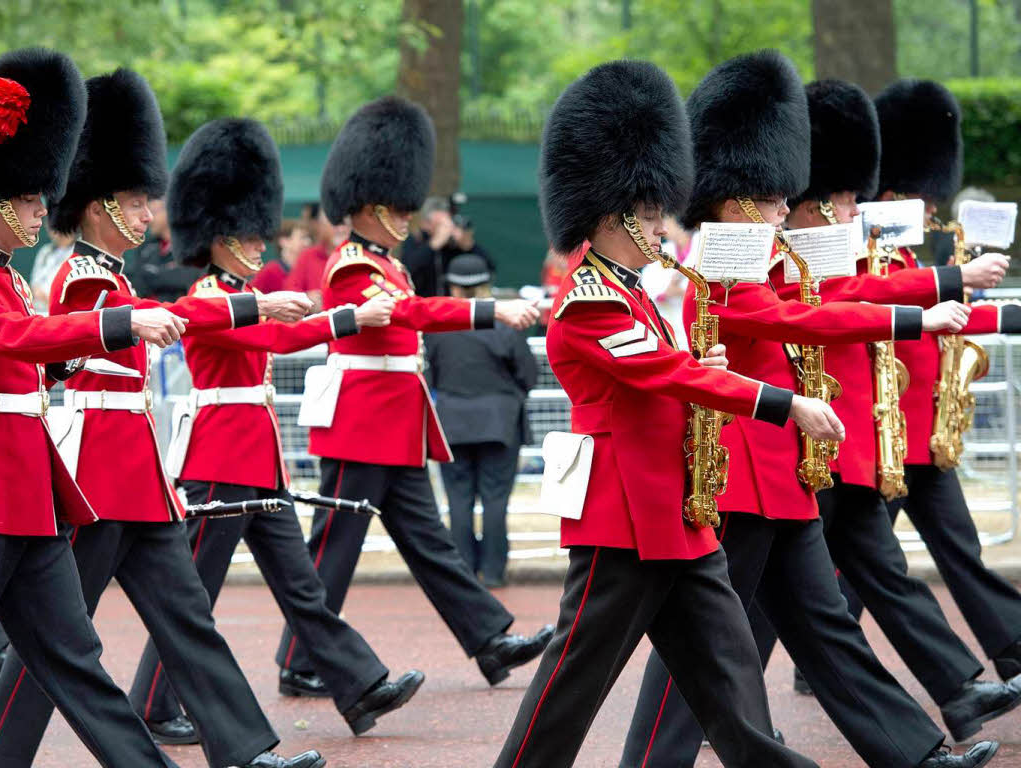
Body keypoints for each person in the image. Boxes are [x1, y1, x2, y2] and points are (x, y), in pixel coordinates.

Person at [620, 62, 1004, 768]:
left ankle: (912, 751)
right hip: (737, 470)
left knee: (826, 626)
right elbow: (804, 318)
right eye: (769, 199)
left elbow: (815, 302)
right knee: (708, 636)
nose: (780, 209)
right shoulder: (721, 256)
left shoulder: (758, 249)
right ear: (735, 199)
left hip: (784, 471)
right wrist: (909, 321)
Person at [492, 57, 848, 768]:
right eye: (651, 214)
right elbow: (663, 372)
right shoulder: (589, 300)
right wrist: (784, 403)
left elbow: (667, 374)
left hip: (679, 516)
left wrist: (704, 371)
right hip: (623, 519)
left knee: (732, 687)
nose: (662, 226)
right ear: (617, 213)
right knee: (572, 685)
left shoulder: (629, 293)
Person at [0, 67, 324, 768]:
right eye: (136, 201)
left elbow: (73, 346)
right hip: (90, 470)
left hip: (123, 470)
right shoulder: (85, 278)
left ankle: (242, 748)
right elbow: (26, 340)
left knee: (153, 624)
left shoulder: (45, 278)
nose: (149, 214)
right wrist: (127, 323)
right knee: (56, 645)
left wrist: (249, 305)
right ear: (97, 208)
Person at [127, 117, 425, 742]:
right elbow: (274, 337)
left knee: (302, 585)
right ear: (217, 238)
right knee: (193, 597)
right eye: (248, 237)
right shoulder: (209, 294)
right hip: (217, 457)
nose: (261, 247)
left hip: (258, 458)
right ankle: (154, 704)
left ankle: (358, 682)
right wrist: (345, 320)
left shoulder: (242, 287)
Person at [274, 94, 554, 696]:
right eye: (400, 208)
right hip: (362, 422)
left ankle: (488, 640)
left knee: (428, 542)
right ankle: (300, 660)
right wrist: (491, 310)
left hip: (394, 421)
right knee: (336, 543)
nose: (410, 216)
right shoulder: (354, 265)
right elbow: (414, 313)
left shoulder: (386, 260)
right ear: (372, 207)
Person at [0, 45, 195, 768]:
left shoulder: (13, 278)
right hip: (3, 486)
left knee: (77, 659)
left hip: (28, 491)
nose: (39, 208)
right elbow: (15, 339)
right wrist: (113, 327)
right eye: (25, 197)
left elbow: (39, 351)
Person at [829, 79, 1021, 689]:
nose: (930, 210)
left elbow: (947, 317)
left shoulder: (908, 261)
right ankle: (820, 661)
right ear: (891, 196)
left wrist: (1009, 315)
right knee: (852, 569)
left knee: (934, 555)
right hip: (883, 432)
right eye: (919, 198)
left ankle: (1011, 649)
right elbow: (891, 310)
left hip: (921, 436)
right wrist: (955, 275)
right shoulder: (865, 259)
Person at [426, 253, 538, 586]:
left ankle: (463, 571)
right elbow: (528, 375)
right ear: (486, 284)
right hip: (500, 423)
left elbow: (429, 376)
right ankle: (493, 571)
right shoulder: (505, 324)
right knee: (495, 499)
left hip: (451, 424)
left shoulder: (440, 327)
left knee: (458, 500)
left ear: (453, 289)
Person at [401, 196, 495, 297]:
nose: (445, 228)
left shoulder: (453, 244)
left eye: (447, 223)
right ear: (425, 224)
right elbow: (407, 270)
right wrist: (433, 245)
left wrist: (468, 246)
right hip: (425, 302)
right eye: (439, 224)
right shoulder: (416, 240)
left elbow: (489, 267)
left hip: (452, 302)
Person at [126, 197, 202, 301]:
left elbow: (190, 278)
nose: (149, 219)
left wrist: (152, 274)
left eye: (153, 212)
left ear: (169, 211)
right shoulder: (146, 247)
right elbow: (136, 282)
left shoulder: (191, 243)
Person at [288, 203, 347, 307]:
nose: (340, 229)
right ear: (321, 226)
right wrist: (306, 298)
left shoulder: (360, 256)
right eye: (335, 223)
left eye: (344, 223)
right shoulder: (308, 256)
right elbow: (289, 291)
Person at [252, 219, 312, 293]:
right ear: (284, 241)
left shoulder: (307, 271)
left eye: (308, 238)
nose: (307, 242)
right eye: (302, 237)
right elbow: (251, 297)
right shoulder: (270, 271)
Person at [27, 223, 74, 313]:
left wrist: (48, 300)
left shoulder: (76, 252)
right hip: (36, 309)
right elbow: (34, 284)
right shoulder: (45, 251)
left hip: (59, 312)